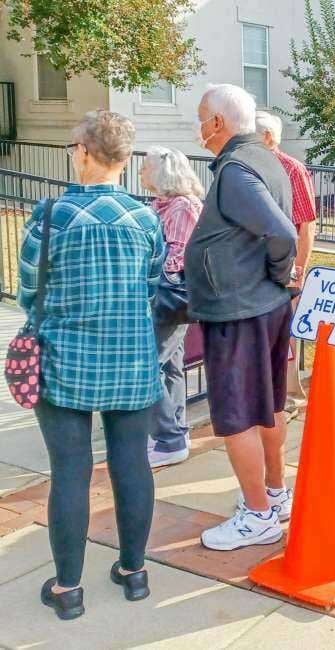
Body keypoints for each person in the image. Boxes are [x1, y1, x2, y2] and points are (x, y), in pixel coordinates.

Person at [19, 110, 164, 619]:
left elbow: (28, 291)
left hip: (64, 362)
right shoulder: (147, 219)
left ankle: (69, 588)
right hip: (130, 361)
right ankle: (134, 572)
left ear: (83, 151)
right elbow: (151, 289)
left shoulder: (51, 215)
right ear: (123, 159)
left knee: (70, 472)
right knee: (132, 466)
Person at [185, 84, 297, 551]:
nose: (199, 128)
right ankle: (273, 493)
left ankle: (258, 514)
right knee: (268, 404)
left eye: (201, 118)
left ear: (217, 123)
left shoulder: (235, 168)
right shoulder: (266, 157)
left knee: (236, 416)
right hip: (261, 304)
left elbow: (282, 232)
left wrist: (276, 270)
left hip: (239, 309)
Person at [140, 146, 204, 468]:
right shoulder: (163, 205)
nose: (140, 172)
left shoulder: (182, 207)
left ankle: (169, 439)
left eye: (145, 167)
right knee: (169, 365)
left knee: (146, 366)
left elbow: (175, 258)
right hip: (167, 299)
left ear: (162, 173)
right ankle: (176, 432)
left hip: (169, 297)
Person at [256, 111, 317, 399]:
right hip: (254, 265)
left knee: (285, 330)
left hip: (283, 265)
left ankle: (288, 392)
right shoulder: (247, 167)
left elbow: (307, 223)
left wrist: (300, 269)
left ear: (267, 136)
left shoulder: (292, 169)